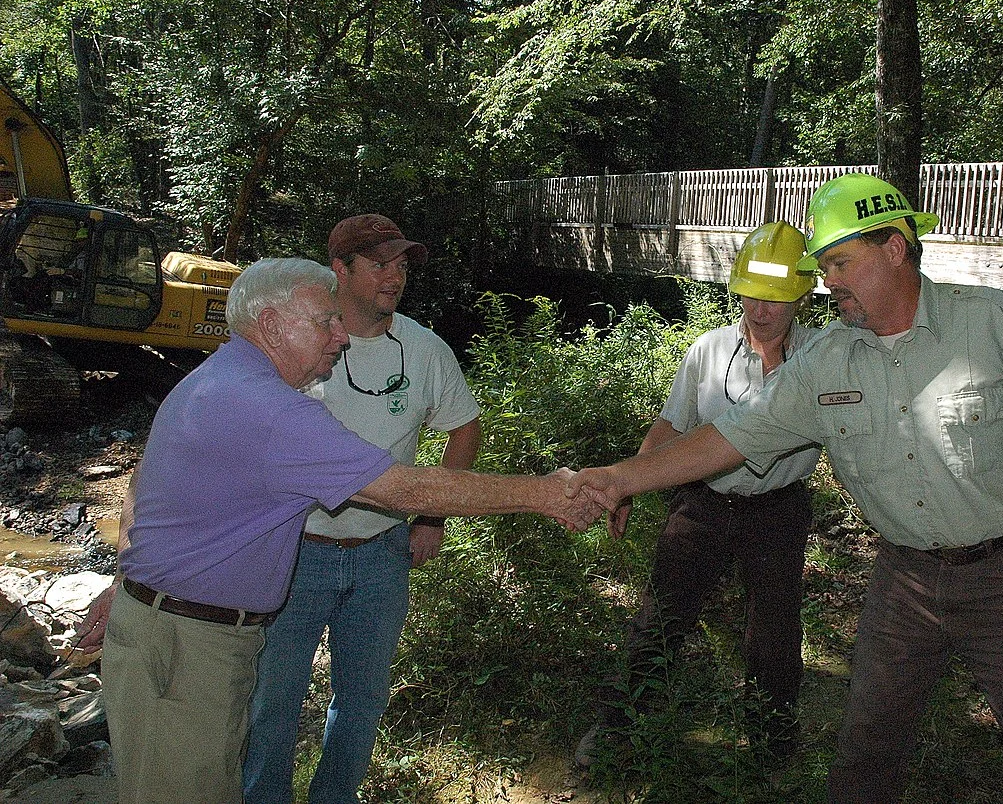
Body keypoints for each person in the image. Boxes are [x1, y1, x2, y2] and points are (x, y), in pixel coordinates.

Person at [570, 172, 1003, 803]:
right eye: (825, 267)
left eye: (839, 263)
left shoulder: (993, 323)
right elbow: (729, 436)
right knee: (866, 747)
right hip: (906, 579)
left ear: (895, 249)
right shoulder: (827, 359)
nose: (827, 281)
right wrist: (618, 478)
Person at [74, 257, 595, 804]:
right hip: (185, 648)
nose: (341, 337)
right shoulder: (271, 410)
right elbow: (403, 491)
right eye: (325, 322)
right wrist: (545, 492)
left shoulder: (216, 379)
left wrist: (131, 584)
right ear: (271, 325)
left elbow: (150, 490)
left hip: (174, 631)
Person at [243, 215, 482, 803]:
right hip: (294, 550)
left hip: (382, 552)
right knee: (273, 698)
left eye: (401, 265)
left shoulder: (424, 350)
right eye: (379, 264)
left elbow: (465, 425)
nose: (394, 277)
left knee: (362, 700)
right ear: (341, 271)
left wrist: (432, 517)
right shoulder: (299, 345)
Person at [574, 222, 822, 769]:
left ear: (802, 296)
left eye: (776, 298)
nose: (761, 310)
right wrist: (630, 484)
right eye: (751, 294)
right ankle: (616, 726)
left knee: (775, 629)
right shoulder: (709, 351)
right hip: (704, 504)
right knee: (662, 617)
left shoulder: (820, 359)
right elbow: (671, 424)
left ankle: (774, 743)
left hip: (778, 510)